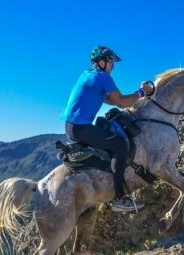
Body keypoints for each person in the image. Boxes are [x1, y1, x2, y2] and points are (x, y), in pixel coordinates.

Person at [60, 46, 154, 212]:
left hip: (71, 126)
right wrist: (141, 92)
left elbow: (110, 99)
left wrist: (129, 98)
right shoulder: (103, 77)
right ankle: (119, 198)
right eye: (111, 62)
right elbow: (121, 102)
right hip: (81, 128)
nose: (113, 66)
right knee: (120, 144)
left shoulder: (88, 75)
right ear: (102, 62)